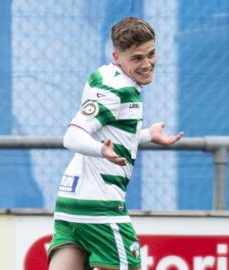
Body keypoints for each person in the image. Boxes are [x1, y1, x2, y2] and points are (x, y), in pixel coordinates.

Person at [48, 16, 183, 270]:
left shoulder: (103, 76)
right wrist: (101, 151)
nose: (147, 64)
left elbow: (112, 136)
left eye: (151, 54)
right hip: (99, 206)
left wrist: (146, 135)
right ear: (116, 57)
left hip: (69, 204)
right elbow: (72, 136)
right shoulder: (118, 91)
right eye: (137, 58)